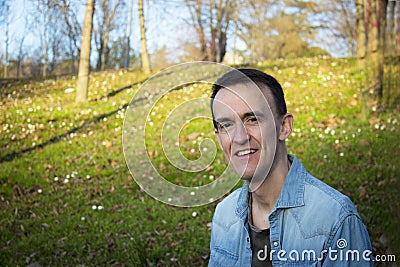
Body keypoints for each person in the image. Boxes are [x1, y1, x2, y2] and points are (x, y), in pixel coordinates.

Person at [208, 69, 372, 266]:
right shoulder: (224, 216)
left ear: (284, 126)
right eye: (226, 125)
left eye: (252, 119)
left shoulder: (335, 219)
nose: (240, 138)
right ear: (218, 138)